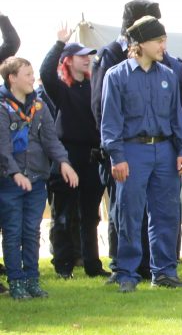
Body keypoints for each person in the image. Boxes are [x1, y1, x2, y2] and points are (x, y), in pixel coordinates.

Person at [99, 15, 182, 293]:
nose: (164, 46)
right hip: (132, 150)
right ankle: (126, 273)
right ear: (140, 44)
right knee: (129, 213)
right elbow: (110, 122)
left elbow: (177, 118)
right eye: (158, 41)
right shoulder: (116, 76)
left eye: (164, 40)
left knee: (166, 213)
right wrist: (117, 157)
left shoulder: (168, 75)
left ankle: (164, 272)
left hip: (165, 151)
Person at [0, 57, 79, 299]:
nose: (32, 78)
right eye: (27, 74)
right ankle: (16, 281)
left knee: (31, 231)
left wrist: (64, 162)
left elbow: (50, 140)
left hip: (36, 179)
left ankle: (32, 279)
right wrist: (15, 173)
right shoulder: (2, 108)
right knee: (13, 232)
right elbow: (2, 147)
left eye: (32, 73)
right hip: (9, 182)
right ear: (12, 78)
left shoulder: (39, 106)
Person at [40, 28, 104, 278]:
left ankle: (92, 265)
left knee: (90, 215)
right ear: (68, 60)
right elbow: (46, 72)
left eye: (89, 55)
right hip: (67, 155)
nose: (87, 59)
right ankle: (63, 265)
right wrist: (59, 43)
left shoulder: (94, 85)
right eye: (81, 56)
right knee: (64, 213)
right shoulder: (61, 89)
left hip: (92, 156)